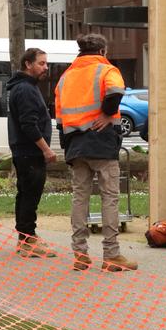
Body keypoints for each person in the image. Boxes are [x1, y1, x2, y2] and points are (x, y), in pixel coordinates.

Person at [55, 34, 138, 272]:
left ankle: (80, 253)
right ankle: (111, 254)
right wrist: (105, 114)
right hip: (101, 141)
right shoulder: (106, 70)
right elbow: (115, 92)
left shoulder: (65, 77)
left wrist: (68, 146)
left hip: (75, 143)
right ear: (102, 50)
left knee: (79, 197)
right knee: (109, 197)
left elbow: (59, 117)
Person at [6, 48, 57, 258]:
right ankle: (28, 240)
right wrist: (45, 149)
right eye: (42, 63)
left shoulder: (25, 87)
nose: (46, 67)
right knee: (30, 196)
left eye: (46, 63)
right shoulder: (25, 89)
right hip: (29, 152)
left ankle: (26, 238)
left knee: (26, 194)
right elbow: (28, 124)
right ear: (28, 64)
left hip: (25, 151)